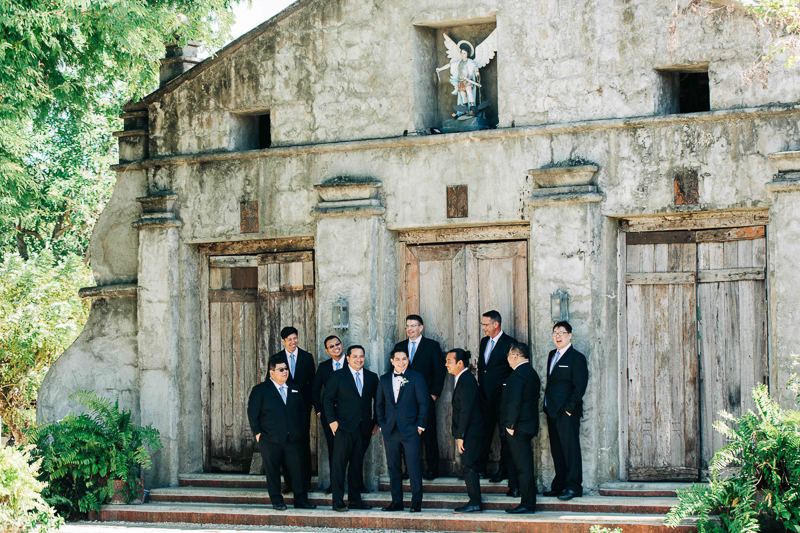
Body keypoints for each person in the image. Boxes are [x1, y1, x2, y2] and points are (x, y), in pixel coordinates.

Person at [246, 354, 316, 511]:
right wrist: (258, 434)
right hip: (270, 439)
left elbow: (302, 412)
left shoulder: (295, 388)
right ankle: (277, 500)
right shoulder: (260, 390)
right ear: (271, 372)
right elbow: (253, 414)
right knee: (272, 471)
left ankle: (301, 500)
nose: (285, 372)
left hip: (293, 439)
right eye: (281, 369)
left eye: (286, 369)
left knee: (298, 471)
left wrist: (300, 431)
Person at [323, 345, 378, 512]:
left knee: (356, 465)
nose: (358, 359)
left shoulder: (371, 377)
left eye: (361, 356)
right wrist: (332, 421)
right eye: (355, 356)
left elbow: (379, 401)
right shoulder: (337, 376)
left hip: (363, 429)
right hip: (343, 428)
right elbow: (327, 400)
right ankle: (337, 501)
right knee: (339, 465)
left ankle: (355, 501)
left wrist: (375, 422)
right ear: (347, 358)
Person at [392, 314, 445, 480]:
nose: (410, 329)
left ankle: (432, 469)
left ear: (421, 328)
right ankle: (409, 469)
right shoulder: (400, 346)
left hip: (425, 399)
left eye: (413, 326)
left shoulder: (432, 346)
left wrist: (434, 395)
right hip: (404, 400)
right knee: (407, 436)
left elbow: (439, 372)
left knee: (429, 435)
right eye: (407, 326)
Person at [376, 348, 429, 512]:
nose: (401, 362)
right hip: (390, 430)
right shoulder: (384, 379)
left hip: (411, 430)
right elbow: (379, 404)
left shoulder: (416, 377)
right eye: (397, 359)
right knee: (393, 468)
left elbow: (424, 403)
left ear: (408, 360)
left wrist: (420, 425)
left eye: (404, 359)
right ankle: (397, 502)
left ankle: (416, 502)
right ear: (392, 361)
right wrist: (382, 424)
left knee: (413, 467)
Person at [543, 321, 588, 501]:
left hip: (566, 413)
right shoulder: (552, 355)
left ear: (570, 335)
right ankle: (560, 485)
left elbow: (580, 387)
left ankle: (574, 487)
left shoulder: (577, 358)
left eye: (562, 332)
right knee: (557, 450)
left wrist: (569, 409)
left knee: (571, 450)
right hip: (551, 411)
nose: (558, 336)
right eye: (555, 332)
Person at [476, 310, 517, 481]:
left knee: (503, 435)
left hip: (502, 398)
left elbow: (513, 371)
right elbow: (483, 367)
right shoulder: (484, 342)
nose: (483, 328)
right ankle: (479, 469)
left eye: (485, 324)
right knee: (483, 432)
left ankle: (503, 471)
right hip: (485, 396)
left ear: (496, 324)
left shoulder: (510, 343)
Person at [274, 326, 316, 492]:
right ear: (283, 341)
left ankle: (306, 483)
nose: (293, 342)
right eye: (289, 339)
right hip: (283, 408)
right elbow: (272, 382)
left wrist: (311, 403)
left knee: (303, 444)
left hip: (302, 408)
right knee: (286, 444)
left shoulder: (306, 357)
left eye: (295, 338)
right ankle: (289, 483)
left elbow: (312, 383)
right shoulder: (276, 358)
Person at [502, 342, 541, 514]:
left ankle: (527, 503)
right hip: (529, 424)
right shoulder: (531, 373)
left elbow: (514, 402)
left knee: (523, 467)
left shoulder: (517, 375)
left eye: (509, 356)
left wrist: (510, 425)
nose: (508, 359)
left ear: (515, 356)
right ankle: (527, 500)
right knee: (524, 465)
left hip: (518, 427)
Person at [445, 349, 484, 513]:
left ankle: (475, 502)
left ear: (460, 363)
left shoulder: (466, 381)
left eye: (449, 361)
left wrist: (461, 435)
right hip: (470, 431)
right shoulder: (462, 378)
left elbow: (466, 411)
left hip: (471, 431)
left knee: (469, 466)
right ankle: (474, 501)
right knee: (469, 465)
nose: (446, 364)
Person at [311, 335, 347, 494]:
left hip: (350, 415)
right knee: (333, 450)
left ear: (342, 345)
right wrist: (319, 411)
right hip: (329, 415)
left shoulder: (352, 361)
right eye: (331, 346)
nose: (335, 347)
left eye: (337, 344)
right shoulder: (324, 367)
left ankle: (357, 484)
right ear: (327, 351)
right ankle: (335, 484)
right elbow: (315, 390)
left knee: (355, 451)